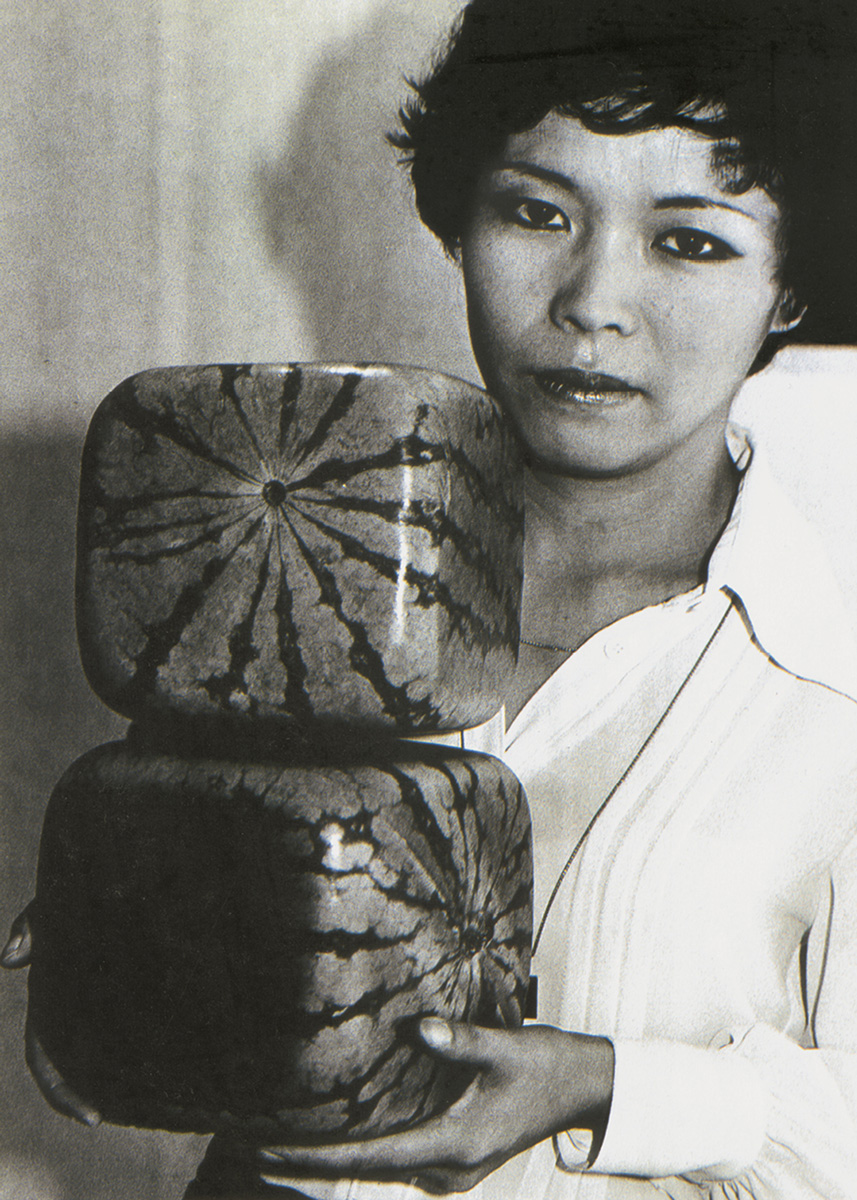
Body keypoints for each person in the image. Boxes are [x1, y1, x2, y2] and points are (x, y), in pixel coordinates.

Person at [6, 0, 857, 1196]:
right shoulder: (285, 575)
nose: (591, 300)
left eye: (689, 242)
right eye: (535, 211)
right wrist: (136, 930)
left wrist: (604, 1083)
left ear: (792, 286)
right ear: (460, 222)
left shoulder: (830, 689)